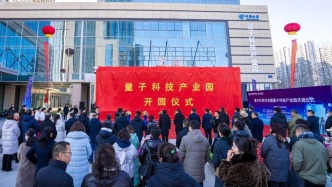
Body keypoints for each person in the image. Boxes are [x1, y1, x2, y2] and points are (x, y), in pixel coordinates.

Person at [179, 120, 210, 185]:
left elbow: (180, 156)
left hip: (187, 171)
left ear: (190, 127)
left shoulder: (185, 139)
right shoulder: (205, 139)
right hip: (200, 170)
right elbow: (207, 157)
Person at [65, 122, 92, 187]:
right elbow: (90, 152)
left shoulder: (67, 139)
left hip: (70, 164)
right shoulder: (85, 140)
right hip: (82, 166)